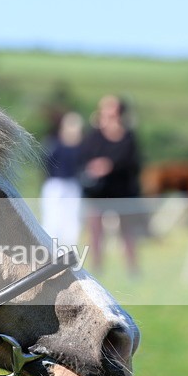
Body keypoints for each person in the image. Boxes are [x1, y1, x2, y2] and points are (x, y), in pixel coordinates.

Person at [79, 95, 142, 275]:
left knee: (128, 234)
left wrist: (110, 165)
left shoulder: (128, 137)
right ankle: (96, 271)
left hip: (122, 192)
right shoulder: (94, 136)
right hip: (98, 193)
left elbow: (133, 163)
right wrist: (94, 167)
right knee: (96, 234)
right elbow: (83, 158)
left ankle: (133, 271)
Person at [40, 111, 84, 246]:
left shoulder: (80, 147)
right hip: (55, 184)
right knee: (52, 218)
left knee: (72, 219)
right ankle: (50, 248)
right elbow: (45, 163)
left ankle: (70, 249)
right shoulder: (54, 143)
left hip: (72, 184)